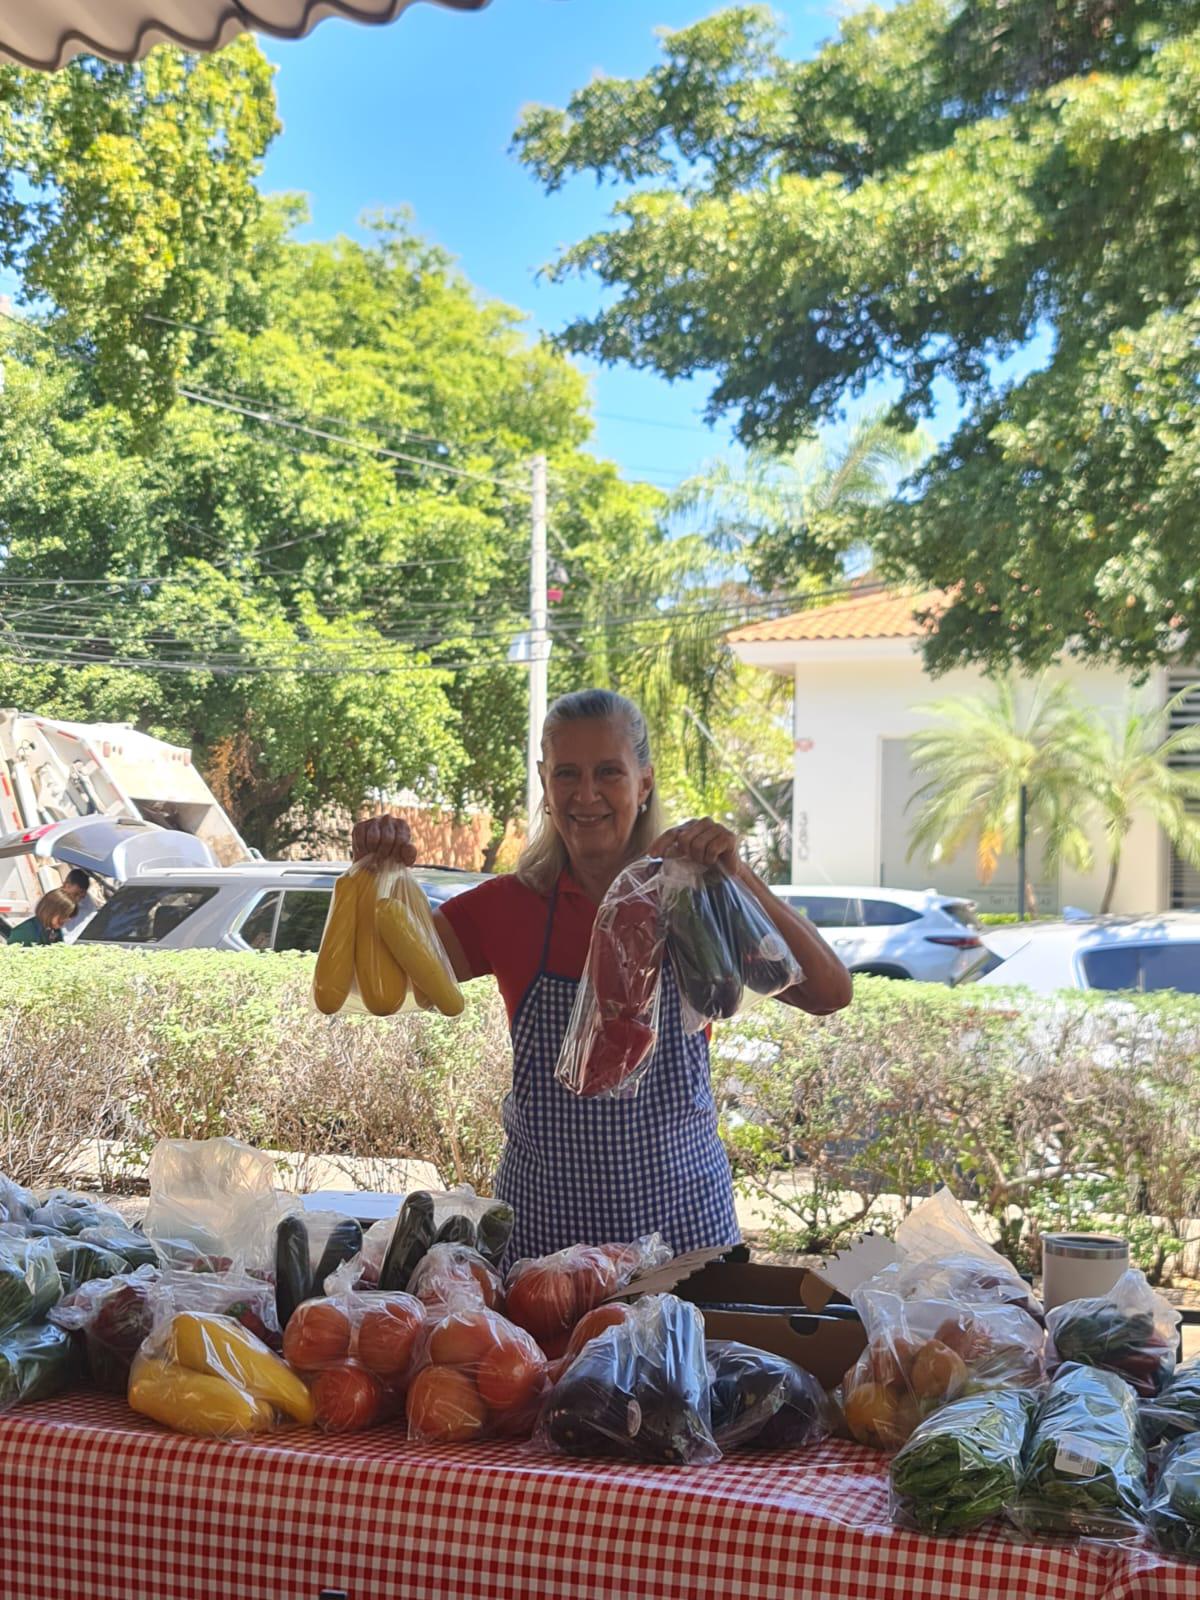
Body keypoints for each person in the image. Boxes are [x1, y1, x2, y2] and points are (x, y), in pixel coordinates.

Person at [355, 688, 852, 1262]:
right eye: (566, 773)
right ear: (545, 784)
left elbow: (828, 993)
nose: (586, 794)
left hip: (682, 1233)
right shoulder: (506, 907)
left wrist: (737, 878)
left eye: (608, 772)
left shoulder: (696, 898)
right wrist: (378, 876)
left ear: (644, 782)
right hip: (546, 1243)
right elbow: (379, 989)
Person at [5, 888, 76, 947]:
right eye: (64, 915)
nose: (67, 919)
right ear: (50, 911)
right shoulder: (24, 933)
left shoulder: (54, 930)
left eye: (69, 916)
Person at [62, 868, 99, 940]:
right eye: (75, 894)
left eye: (81, 897)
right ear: (66, 885)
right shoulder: (50, 902)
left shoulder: (88, 905)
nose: (78, 899)